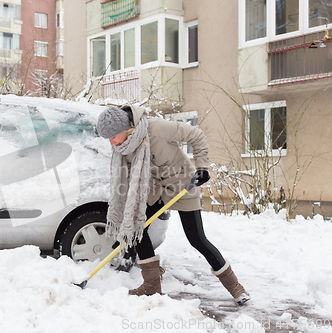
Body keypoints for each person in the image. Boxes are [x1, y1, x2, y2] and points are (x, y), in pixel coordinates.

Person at [96, 105, 250, 305]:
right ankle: (151, 286)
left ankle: (235, 287)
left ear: (126, 129)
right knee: (137, 229)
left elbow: (197, 135)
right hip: (152, 190)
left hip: (182, 185)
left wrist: (202, 167)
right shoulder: (123, 147)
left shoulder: (158, 128)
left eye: (112, 136)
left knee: (197, 239)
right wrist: (124, 230)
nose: (111, 143)